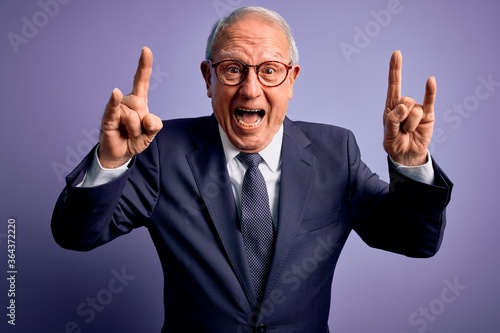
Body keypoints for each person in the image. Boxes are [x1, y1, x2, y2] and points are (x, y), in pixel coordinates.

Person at [52, 6, 453, 333]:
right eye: (232, 68)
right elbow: (76, 234)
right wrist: (111, 160)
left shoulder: (336, 152)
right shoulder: (164, 152)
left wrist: (411, 163)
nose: (250, 88)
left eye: (269, 69)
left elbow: (415, 240)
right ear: (208, 78)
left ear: (291, 79)